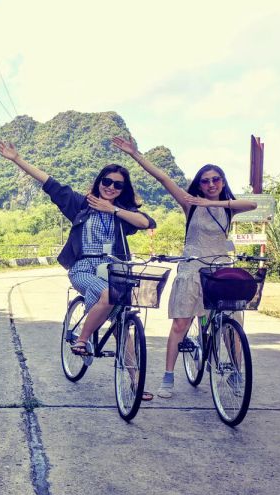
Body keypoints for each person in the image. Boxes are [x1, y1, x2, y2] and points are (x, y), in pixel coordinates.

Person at [0, 140, 156, 386]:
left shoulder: (122, 213)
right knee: (107, 294)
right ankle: (82, 338)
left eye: (118, 185)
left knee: (124, 324)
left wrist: (111, 209)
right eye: (107, 181)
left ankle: (134, 382)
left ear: (123, 189)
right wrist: (16, 159)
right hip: (83, 267)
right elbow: (50, 183)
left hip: (115, 268)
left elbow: (147, 222)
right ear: (99, 182)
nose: (111, 186)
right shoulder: (81, 205)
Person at [112, 134, 258, 398]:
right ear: (198, 185)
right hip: (192, 268)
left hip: (221, 269)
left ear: (222, 182)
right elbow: (164, 179)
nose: (211, 184)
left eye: (216, 179)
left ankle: (237, 371)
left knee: (232, 323)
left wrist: (214, 202)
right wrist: (135, 154)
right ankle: (168, 376)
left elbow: (252, 203)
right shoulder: (190, 205)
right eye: (205, 181)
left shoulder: (228, 207)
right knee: (181, 323)